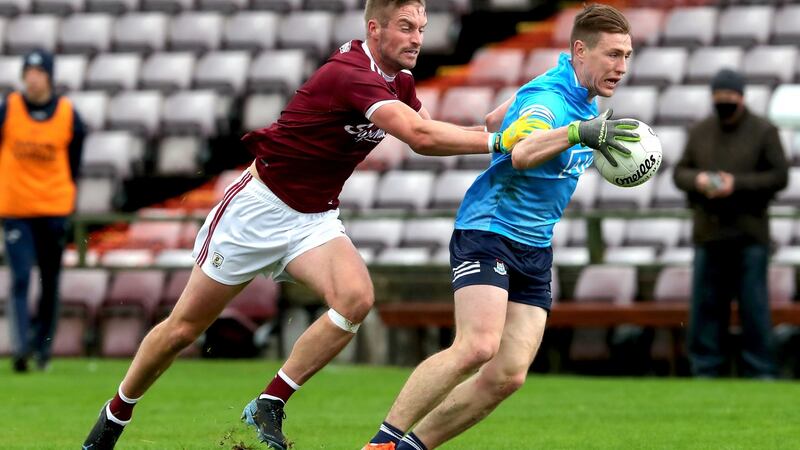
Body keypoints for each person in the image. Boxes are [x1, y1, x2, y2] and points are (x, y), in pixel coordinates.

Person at [80, 0, 548, 448]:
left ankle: (270, 401)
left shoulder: (398, 81)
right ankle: (117, 411)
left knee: (355, 299)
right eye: (406, 26)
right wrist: (500, 141)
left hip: (313, 218)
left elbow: (435, 129)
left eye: (422, 29)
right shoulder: (351, 74)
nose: (417, 39)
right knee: (183, 329)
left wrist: (516, 140)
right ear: (375, 28)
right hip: (257, 210)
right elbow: (420, 138)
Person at [364, 4, 639, 449]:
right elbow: (522, 153)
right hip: (490, 231)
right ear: (579, 52)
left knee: (508, 375)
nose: (621, 67)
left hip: (535, 245)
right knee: (476, 347)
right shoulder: (549, 102)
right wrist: (575, 134)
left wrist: (531, 119)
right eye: (612, 55)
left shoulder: (569, 94)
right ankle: (380, 443)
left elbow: (495, 121)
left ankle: (409, 449)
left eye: (627, 55)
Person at [673, 68, 788, 379]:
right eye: (719, 97)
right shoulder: (700, 131)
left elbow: (779, 177)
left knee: (754, 310)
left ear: (741, 97)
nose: (724, 102)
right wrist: (698, 180)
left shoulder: (764, 131)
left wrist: (735, 184)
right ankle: (706, 370)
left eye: (729, 97)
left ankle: (760, 370)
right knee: (706, 310)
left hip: (749, 236)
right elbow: (679, 172)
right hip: (709, 234)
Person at [0, 49, 85, 373]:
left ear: (49, 76)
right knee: (20, 277)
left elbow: (73, 161)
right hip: (16, 209)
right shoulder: (8, 108)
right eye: (28, 72)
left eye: (38, 72)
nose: (32, 78)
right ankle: (21, 348)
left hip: (53, 208)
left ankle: (42, 349)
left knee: (50, 281)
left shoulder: (68, 114)